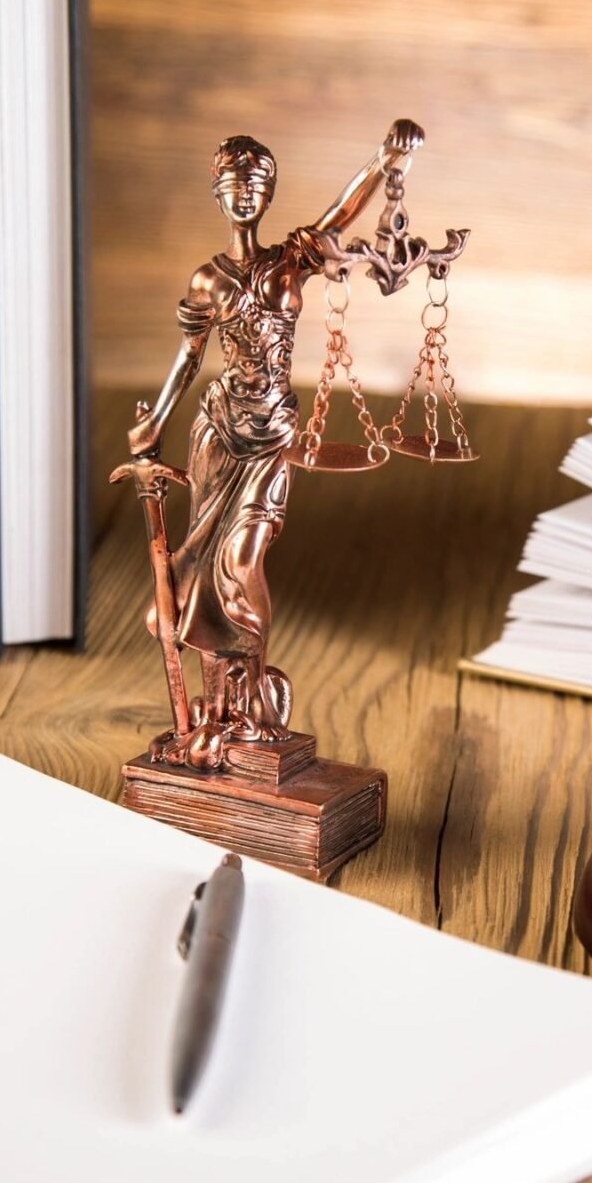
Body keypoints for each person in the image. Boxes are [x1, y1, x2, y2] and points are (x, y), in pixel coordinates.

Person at [127, 121, 423, 768]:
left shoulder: (289, 261)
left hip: (272, 438)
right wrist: (156, 424)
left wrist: (382, 161)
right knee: (202, 571)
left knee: (241, 558)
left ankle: (252, 695)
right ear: (217, 193)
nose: (245, 196)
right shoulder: (208, 280)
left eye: (256, 185)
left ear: (268, 194)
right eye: (234, 185)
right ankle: (220, 713)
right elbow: (189, 357)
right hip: (219, 433)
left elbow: (341, 215)